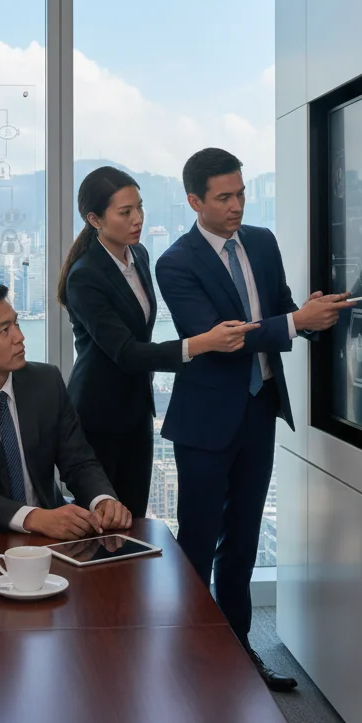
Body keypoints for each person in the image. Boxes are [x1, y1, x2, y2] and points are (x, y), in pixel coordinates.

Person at [156, 148, 353, 691]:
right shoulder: (176, 262)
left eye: (241, 193)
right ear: (194, 201)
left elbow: (282, 310)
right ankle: (190, 659)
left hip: (259, 408)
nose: (237, 205)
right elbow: (222, 338)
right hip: (205, 422)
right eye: (224, 197)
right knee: (198, 542)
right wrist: (295, 321)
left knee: (242, 540)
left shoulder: (262, 243)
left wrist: (311, 316)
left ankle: (240, 653)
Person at [57, 165, 257, 516]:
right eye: (125, 212)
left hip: (137, 409)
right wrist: (203, 343)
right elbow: (126, 352)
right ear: (95, 219)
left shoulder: (139, 256)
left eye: (140, 207)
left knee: (134, 516)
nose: (138, 219)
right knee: (102, 522)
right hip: (98, 415)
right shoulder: (85, 276)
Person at [0, 282, 133, 538]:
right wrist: (33, 517)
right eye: (4, 330)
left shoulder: (46, 381)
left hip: (53, 533)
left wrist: (102, 500)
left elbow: (78, 461)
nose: (19, 337)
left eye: (16, 324)